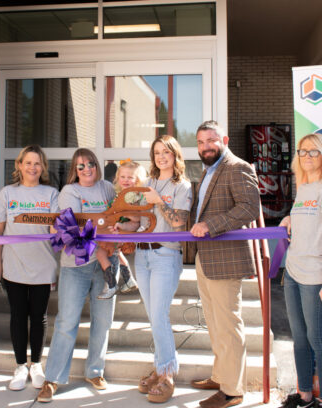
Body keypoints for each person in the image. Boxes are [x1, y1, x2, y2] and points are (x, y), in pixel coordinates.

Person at [189, 121, 262, 408]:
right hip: (206, 257)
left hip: (226, 259)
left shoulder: (237, 167)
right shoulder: (208, 169)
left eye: (211, 140)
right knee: (216, 324)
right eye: (200, 142)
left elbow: (249, 208)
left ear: (225, 139)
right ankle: (222, 376)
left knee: (229, 325)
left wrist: (210, 225)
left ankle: (232, 391)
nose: (206, 146)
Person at [37, 148, 117, 403]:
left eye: (90, 163)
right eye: (80, 166)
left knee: (103, 322)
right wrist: (103, 229)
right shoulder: (69, 191)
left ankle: (95, 371)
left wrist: (114, 228)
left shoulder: (107, 188)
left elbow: (117, 217)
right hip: (77, 266)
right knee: (66, 322)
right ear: (75, 169)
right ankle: (53, 378)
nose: (86, 169)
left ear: (97, 165)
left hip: (106, 264)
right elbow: (77, 227)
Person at [278, 133, 322, 408]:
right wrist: (289, 216)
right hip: (293, 271)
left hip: (316, 275)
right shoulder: (304, 186)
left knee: (318, 340)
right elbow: (307, 219)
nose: (306, 157)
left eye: (313, 152)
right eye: (302, 152)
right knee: (300, 339)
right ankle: (305, 395)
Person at [0, 145, 59, 391]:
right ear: (19, 165)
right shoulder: (7, 193)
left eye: (37, 163)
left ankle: (36, 364)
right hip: (13, 265)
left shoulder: (51, 193)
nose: (32, 167)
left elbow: (55, 230)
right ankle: (20, 366)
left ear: (43, 167)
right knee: (18, 316)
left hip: (43, 265)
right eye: (28, 163)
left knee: (39, 317)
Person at [133, 135, 192, 404]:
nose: (161, 156)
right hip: (141, 256)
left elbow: (179, 222)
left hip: (166, 255)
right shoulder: (146, 183)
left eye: (166, 152)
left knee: (159, 316)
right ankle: (160, 369)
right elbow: (136, 219)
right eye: (156, 152)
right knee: (152, 316)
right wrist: (120, 226)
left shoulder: (183, 185)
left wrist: (158, 200)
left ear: (175, 155)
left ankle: (168, 374)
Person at [95, 159, 146, 299]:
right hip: (118, 228)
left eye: (130, 177)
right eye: (122, 177)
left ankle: (111, 285)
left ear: (137, 180)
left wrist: (120, 218)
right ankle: (129, 280)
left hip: (122, 229)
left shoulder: (133, 196)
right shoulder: (122, 194)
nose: (125, 180)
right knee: (116, 253)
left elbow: (136, 219)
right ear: (117, 178)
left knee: (100, 253)